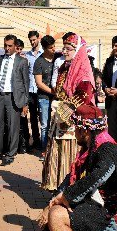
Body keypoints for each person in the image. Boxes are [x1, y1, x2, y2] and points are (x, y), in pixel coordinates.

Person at [41, 33, 95, 191]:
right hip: (59, 118)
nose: (64, 51)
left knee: (69, 156)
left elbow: (84, 97)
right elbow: (58, 91)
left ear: (77, 50)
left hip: (73, 122)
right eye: (63, 48)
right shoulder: (64, 68)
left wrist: (64, 110)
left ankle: (69, 189)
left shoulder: (83, 73)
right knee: (56, 153)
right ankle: (57, 186)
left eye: (68, 48)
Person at [0, 34, 29, 166]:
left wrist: (25, 103)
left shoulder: (22, 61)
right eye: (5, 45)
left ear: (15, 46)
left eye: (10, 46)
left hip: (13, 98)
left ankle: (11, 154)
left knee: (13, 127)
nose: (7, 48)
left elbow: (25, 84)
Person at [33, 35, 56, 159]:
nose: (54, 49)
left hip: (57, 98)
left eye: (54, 46)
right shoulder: (39, 62)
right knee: (45, 125)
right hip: (44, 98)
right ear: (44, 48)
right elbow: (39, 83)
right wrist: (53, 92)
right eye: (51, 48)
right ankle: (44, 150)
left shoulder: (57, 57)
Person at [23, 31, 42, 152]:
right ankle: (35, 140)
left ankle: (43, 141)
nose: (32, 42)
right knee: (33, 118)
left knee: (43, 118)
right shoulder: (27, 55)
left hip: (41, 91)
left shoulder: (44, 54)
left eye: (34, 39)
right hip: (30, 91)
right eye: (30, 40)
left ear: (39, 38)